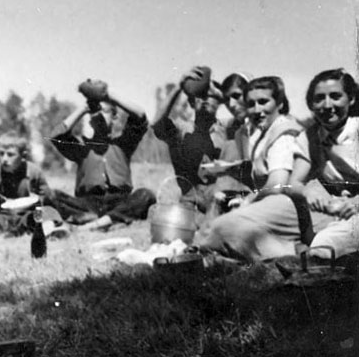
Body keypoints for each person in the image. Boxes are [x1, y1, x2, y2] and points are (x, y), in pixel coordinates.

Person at [196, 76, 314, 261]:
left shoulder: (284, 131)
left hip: (291, 206)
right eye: (251, 104)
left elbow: (277, 184)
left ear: (279, 103)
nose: (257, 109)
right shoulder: (262, 132)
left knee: (222, 228)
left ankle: (288, 251)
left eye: (263, 102)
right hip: (272, 202)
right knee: (221, 219)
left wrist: (249, 200)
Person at [49, 79, 155, 230]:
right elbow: (56, 136)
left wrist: (108, 96)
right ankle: (110, 221)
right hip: (88, 204)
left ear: (114, 117)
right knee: (51, 195)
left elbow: (140, 116)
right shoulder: (82, 149)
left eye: (104, 111)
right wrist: (84, 108)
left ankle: (93, 224)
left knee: (146, 195)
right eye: (94, 112)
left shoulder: (123, 144)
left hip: (119, 201)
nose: (97, 116)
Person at [152, 67, 247, 213]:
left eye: (209, 96)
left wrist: (223, 97)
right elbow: (157, 123)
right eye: (199, 96)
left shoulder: (227, 129)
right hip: (192, 202)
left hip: (221, 198)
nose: (204, 100)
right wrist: (180, 86)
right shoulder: (181, 130)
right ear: (191, 102)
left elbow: (246, 118)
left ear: (219, 101)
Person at [301, 68, 359, 259]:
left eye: (335, 96)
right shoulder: (310, 136)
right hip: (338, 209)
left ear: (350, 99)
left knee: (324, 245)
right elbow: (294, 181)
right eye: (319, 99)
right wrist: (307, 190)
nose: (327, 105)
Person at [0, 131, 55, 236]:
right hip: (3, 216)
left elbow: (47, 198)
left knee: (45, 213)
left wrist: (40, 197)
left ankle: (48, 230)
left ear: (23, 156)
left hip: (28, 214)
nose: (4, 159)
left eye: (10, 154)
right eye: (1, 153)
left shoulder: (34, 171)